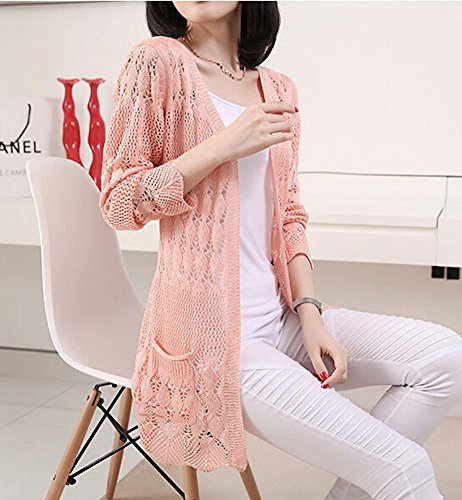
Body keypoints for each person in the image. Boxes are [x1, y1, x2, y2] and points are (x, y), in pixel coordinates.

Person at [102, 2, 462, 498]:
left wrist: (311, 316)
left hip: (282, 319)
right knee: (405, 468)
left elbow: (289, 214)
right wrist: (222, 146)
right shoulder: (156, 62)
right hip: (217, 346)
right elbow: (120, 203)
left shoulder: (279, 89)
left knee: (445, 358)